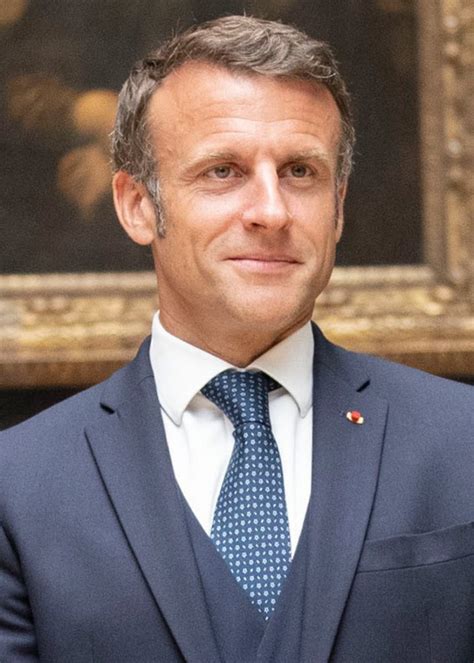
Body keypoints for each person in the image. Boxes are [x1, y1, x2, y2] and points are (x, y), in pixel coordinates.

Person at [0, 15, 472, 663]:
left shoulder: (462, 439)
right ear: (138, 205)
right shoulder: (18, 484)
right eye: (223, 171)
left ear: (338, 207)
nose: (271, 211)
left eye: (300, 171)